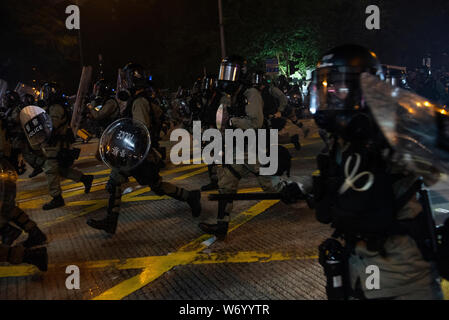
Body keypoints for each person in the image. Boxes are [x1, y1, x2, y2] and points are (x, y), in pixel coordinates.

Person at [281, 44, 444, 300]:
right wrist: (304, 189)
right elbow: (342, 177)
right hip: (357, 271)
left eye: (340, 88)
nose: (332, 96)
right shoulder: (341, 139)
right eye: (327, 88)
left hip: (403, 278)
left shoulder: (394, 132)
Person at [86, 63, 202, 235]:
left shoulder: (139, 102)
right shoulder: (140, 100)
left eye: (127, 79)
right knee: (120, 182)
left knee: (154, 185)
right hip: (136, 154)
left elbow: (141, 129)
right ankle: (111, 221)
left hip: (140, 155)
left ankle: (190, 197)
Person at [198, 56, 285, 240]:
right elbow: (224, 122)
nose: (225, 78)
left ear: (240, 74)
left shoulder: (251, 94)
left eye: (229, 72)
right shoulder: (231, 96)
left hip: (254, 148)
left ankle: (299, 192)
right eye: (224, 72)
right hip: (237, 148)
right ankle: (221, 226)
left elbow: (255, 122)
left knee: (270, 186)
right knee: (226, 186)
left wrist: (233, 121)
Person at [36, 83, 94, 210]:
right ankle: (85, 179)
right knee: (61, 169)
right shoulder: (52, 106)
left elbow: (52, 125)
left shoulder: (56, 107)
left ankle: (57, 198)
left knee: (50, 169)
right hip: (55, 143)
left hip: (55, 144)